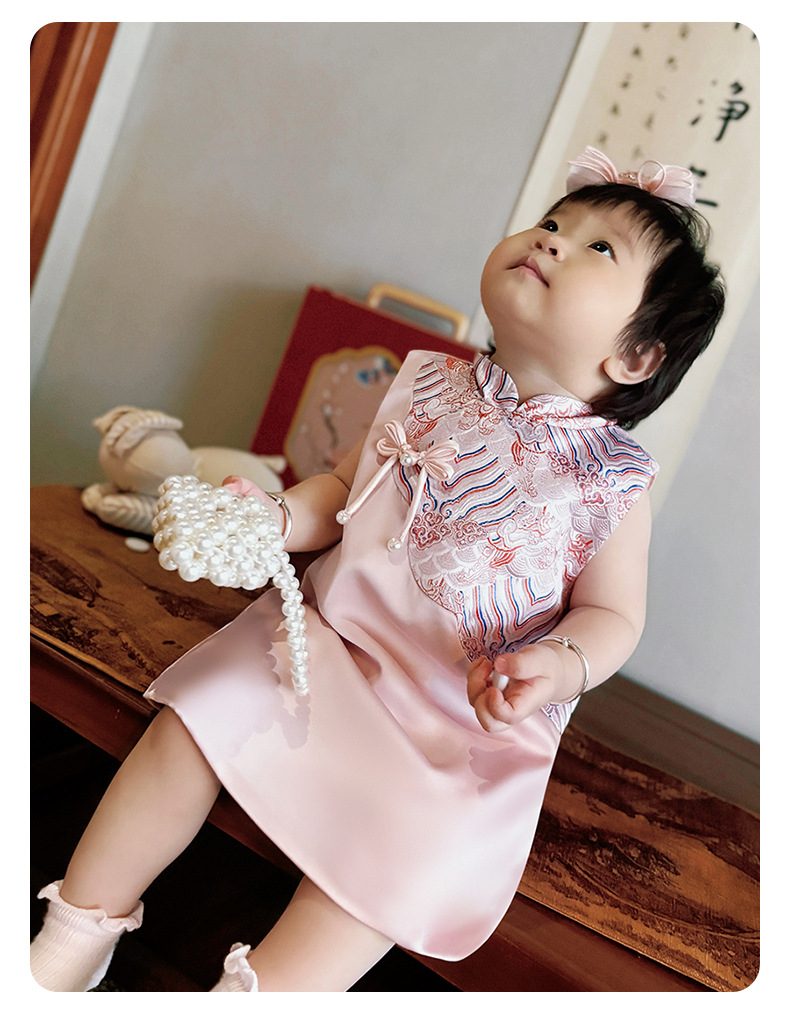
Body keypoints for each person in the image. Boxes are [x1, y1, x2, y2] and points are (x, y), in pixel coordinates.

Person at [30, 147, 725, 993]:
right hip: (324, 644)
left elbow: (615, 617)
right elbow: (340, 490)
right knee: (194, 718)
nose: (551, 240)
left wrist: (557, 664)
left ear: (638, 357)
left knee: (397, 864)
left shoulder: (612, 481)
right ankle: (75, 932)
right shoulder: (427, 383)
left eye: (598, 248)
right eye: (552, 222)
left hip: (456, 721)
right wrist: (278, 518)